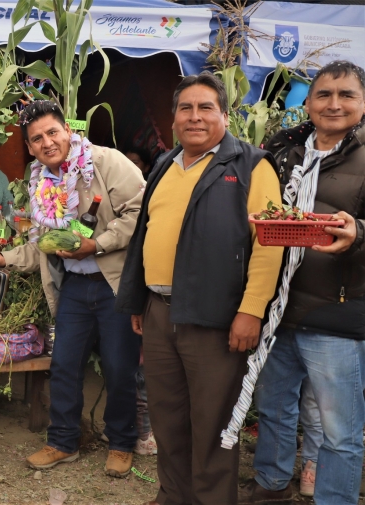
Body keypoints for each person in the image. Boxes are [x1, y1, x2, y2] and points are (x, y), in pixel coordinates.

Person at [116, 72, 283, 505]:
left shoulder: (251, 165)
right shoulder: (164, 165)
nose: (195, 116)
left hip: (217, 317)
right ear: (172, 119)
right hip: (159, 311)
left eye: (205, 107)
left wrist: (251, 310)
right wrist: (140, 299)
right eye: (185, 108)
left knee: (212, 425)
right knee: (168, 419)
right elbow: (145, 236)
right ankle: (173, 496)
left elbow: (270, 242)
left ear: (224, 115)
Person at [0, 100, 145, 478]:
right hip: (73, 287)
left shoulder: (105, 162)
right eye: (37, 139)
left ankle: (121, 443)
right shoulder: (39, 181)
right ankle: (63, 441)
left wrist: (97, 244)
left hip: (114, 283)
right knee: (64, 366)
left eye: (52, 132)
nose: (47, 142)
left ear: (68, 130)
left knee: (119, 368)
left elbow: (140, 212)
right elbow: (43, 245)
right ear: (31, 148)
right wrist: (5, 260)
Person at [244, 60, 365, 505]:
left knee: (340, 430)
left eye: (346, 95)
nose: (334, 104)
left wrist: (359, 234)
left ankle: (334, 499)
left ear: (363, 102)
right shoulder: (285, 151)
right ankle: (270, 485)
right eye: (324, 95)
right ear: (308, 103)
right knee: (274, 407)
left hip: (336, 312)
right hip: (279, 307)